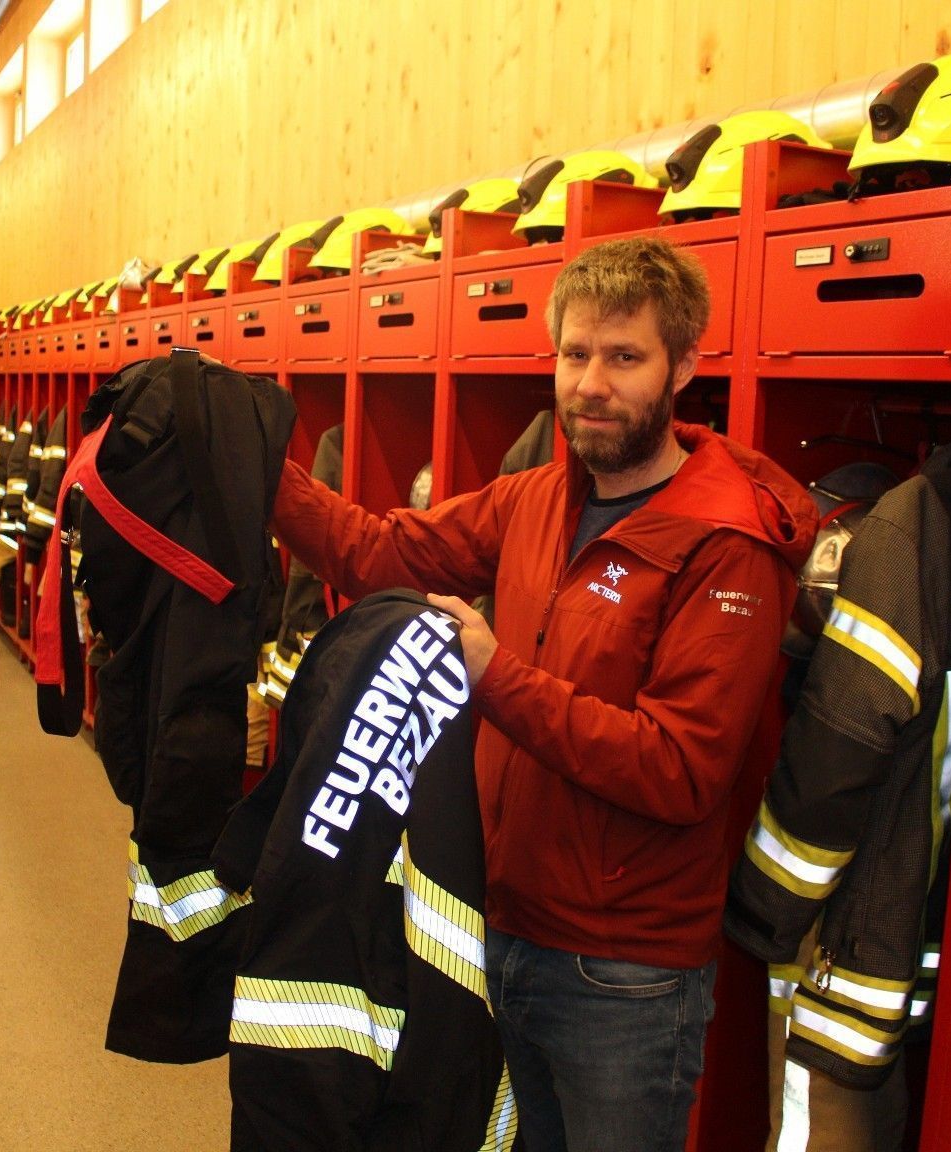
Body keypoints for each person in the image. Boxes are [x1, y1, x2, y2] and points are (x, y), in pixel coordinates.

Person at [270, 235, 817, 1152]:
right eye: (574, 354)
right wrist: (254, 465)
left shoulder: (726, 548)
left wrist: (496, 679)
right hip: (495, 925)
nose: (591, 384)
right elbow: (378, 551)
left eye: (624, 357)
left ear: (684, 364)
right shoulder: (540, 498)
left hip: (622, 976)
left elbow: (680, 768)